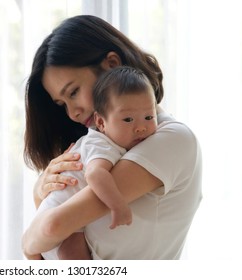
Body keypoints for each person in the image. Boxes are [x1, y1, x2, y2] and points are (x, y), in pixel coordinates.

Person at [22, 15, 202, 260]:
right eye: (62, 104)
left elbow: (51, 228)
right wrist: (39, 193)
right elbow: (46, 251)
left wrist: (27, 243)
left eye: (73, 92)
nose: (72, 113)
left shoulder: (172, 140)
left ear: (112, 64)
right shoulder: (100, 145)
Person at [41, 66, 158, 260]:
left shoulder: (117, 139)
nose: (141, 127)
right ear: (101, 123)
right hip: (60, 216)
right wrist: (118, 205)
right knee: (74, 252)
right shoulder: (102, 143)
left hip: (57, 217)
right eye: (128, 119)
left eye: (149, 117)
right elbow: (95, 174)